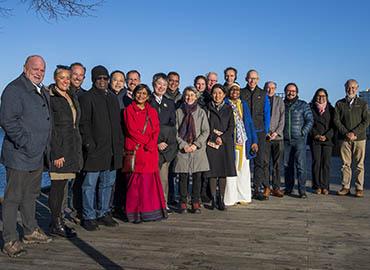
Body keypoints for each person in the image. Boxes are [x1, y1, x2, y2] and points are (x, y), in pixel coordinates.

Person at [0, 55, 52, 257]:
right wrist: (26, 143)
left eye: (42, 70)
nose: (39, 72)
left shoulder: (41, 90)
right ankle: (10, 239)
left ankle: (30, 231)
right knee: (13, 198)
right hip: (19, 155)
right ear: (24, 68)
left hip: (37, 154)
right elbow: (8, 121)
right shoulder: (14, 89)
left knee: (31, 195)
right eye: (35, 68)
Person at [79, 65, 124, 231]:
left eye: (105, 78)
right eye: (99, 78)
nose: (103, 81)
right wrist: (89, 144)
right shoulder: (87, 97)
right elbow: (83, 124)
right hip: (95, 149)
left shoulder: (112, 98)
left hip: (112, 149)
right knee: (89, 184)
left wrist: (118, 145)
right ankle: (88, 216)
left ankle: (103, 213)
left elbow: (117, 124)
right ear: (93, 80)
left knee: (107, 183)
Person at [123, 84, 168, 223]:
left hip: (150, 151)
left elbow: (156, 129)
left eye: (144, 93)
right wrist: (147, 142)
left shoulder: (152, 111)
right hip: (137, 150)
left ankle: (151, 212)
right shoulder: (128, 110)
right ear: (134, 94)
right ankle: (135, 214)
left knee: (150, 184)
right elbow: (131, 130)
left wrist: (151, 142)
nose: (141, 96)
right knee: (136, 184)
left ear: (148, 96)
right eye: (138, 93)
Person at [48, 65, 83, 238]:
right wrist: (56, 152)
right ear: (55, 78)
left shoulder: (70, 95)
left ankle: (58, 220)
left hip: (71, 148)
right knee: (57, 188)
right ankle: (55, 223)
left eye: (67, 78)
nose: (65, 81)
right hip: (59, 150)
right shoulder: (51, 97)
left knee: (63, 188)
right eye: (61, 77)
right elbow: (51, 128)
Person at [174, 86, 210, 213]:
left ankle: (195, 201)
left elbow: (206, 131)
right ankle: (183, 202)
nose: (189, 97)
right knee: (182, 176)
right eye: (187, 95)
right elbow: (175, 131)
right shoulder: (178, 112)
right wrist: (183, 145)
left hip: (197, 149)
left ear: (196, 97)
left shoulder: (201, 112)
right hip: (183, 148)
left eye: (192, 95)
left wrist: (196, 144)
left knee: (197, 177)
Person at [224, 83, 258, 206]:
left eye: (237, 90)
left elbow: (249, 123)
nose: (235, 92)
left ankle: (243, 196)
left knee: (244, 169)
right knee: (231, 170)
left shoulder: (243, 104)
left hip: (243, 142)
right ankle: (230, 198)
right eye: (232, 89)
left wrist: (254, 141)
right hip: (230, 142)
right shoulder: (226, 104)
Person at [334, 79, 368, 197]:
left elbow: (366, 121)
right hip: (344, 139)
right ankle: (345, 187)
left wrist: (354, 133)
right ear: (345, 88)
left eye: (353, 87)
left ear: (357, 88)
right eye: (348, 87)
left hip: (359, 139)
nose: (351, 89)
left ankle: (359, 188)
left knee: (359, 164)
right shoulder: (339, 103)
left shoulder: (363, 104)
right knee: (345, 164)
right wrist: (346, 133)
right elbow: (336, 121)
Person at [204, 84, 236, 210]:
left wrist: (222, 138)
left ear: (224, 95)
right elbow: (205, 126)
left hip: (224, 144)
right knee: (212, 172)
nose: (217, 95)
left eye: (220, 93)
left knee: (223, 173)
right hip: (211, 143)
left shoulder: (229, 108)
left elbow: (231, 127)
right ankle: (213, 199)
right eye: (215, 93)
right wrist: (214, 136)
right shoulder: (207, 108)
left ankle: (221, 199)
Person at [240, 70, 271, 200]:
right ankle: (243, 189)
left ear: (258, 80)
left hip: (259, 131)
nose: (252, 81)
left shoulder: (263, 94)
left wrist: (266, 131)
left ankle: (257, 188)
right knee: (244, 161)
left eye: (255, 78)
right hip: (244, 132)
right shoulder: (241, 93)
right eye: (250, 78)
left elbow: (267, 114)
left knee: (259, 162)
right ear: (246, 79)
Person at [149, 73, 177, 211]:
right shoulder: (147, 100)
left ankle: (163, 202)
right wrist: (156, 142)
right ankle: (150, 204)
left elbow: (172, 125)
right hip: (150, 145)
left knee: (163, 177)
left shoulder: (170, 103)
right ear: (154, 84)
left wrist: (164, 141)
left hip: (165, 146)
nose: (161, 87)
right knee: (149, 177)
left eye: (164, 85)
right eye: (159, 84)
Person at [283, 83, 313, 199]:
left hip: (299, 140)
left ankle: (302, 190)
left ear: (297, 92)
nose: (291, 93)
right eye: (289, 91)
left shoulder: (303, 105)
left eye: (293, 91)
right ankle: (289, 188)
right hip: (286, 140)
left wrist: (302, 132)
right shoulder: (282, 104)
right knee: (287, 165)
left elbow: (309, 120)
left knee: (301, 166)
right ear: (285, 92)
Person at [308, 88, 335, 195]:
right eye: (319, 96)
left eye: (323, 96)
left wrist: (326, 136)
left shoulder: (331, 109)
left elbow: (334, 125)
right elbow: (309, 124)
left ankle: (325, 186)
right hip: (315, 140)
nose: (321, 98)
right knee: (316, 163)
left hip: (328, 140)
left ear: (327, 97)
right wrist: (316, 135)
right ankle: (317, 186)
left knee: (326, 164)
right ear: (315, 97)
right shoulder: (311, 108)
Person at [264, 81, 285, 197]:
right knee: (265, 163)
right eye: (268, 88)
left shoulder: (280, 101)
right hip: (266, 137)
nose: (270, 90)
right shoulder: (262, 100)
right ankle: (266, 187)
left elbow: (282, 118)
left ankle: (276, 187)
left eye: (272, 88)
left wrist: (276, 132)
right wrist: (266, 133)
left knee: (277, 164)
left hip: (277, 137)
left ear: (275, 89)